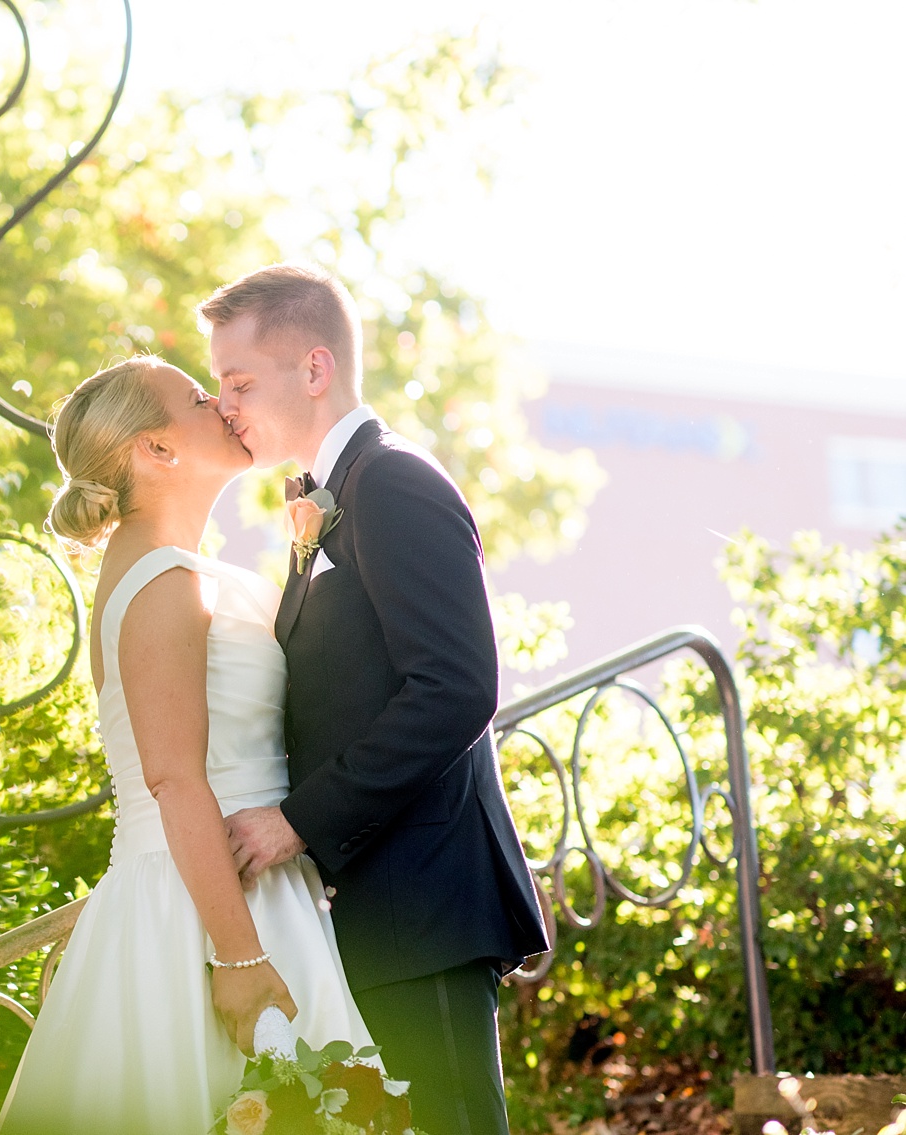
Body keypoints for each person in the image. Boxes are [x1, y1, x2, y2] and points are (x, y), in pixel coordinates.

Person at [206, 263, 550, 1135]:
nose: (226, 404)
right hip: (375, 904)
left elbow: (457, 686)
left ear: (314, 370)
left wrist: (299, 819)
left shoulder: (393, 483)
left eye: (240, 381)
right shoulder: (333, 495)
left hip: (425, 900)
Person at [0, 356, 374, 1135]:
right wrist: (238, 957)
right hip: (202, 907)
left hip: (250, 881)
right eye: (201, 399)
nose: (224, 406)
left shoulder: (177, 570)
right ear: (155, 450)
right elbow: (172, 779)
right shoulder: (162, 579)